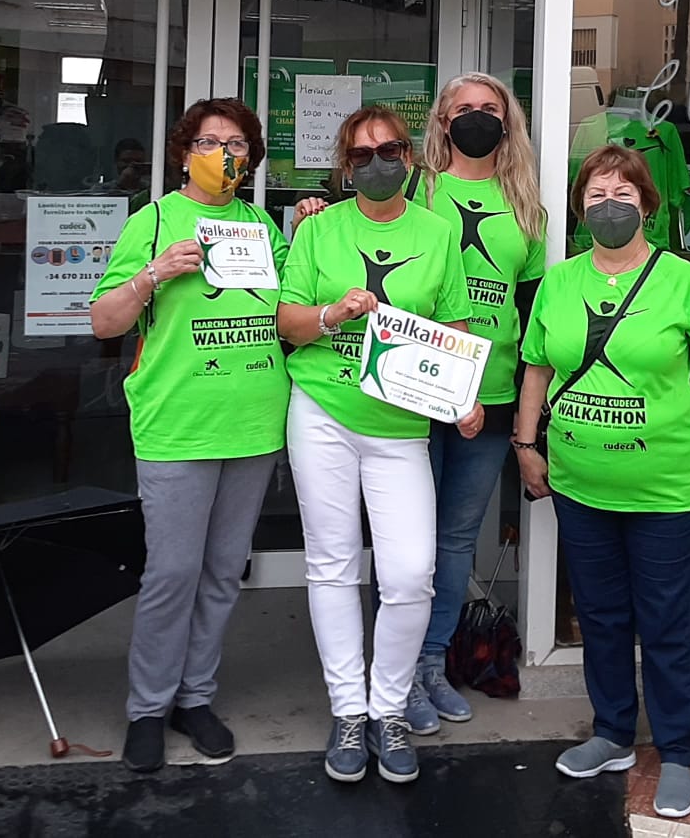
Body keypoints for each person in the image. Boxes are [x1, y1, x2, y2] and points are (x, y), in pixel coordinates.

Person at [514, 144, 690, 822]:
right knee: (601, 617)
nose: (608, 206)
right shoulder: (559, 281)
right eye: (596, 195)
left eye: (622, 194)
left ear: (648, 204)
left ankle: (675, 751)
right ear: (579, 208)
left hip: (664, 488)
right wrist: (525, 443)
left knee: (666, 623)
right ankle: (612, 733)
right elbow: (536, 367)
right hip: (580, 484)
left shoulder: (681, 279)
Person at [277, 106, 477, 787]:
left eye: (389, 150)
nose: (376, 164)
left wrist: (463, 396)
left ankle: (389, 706)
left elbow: (453, 326)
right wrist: (331, 314)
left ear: (409, 157)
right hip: (323, 411)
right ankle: (349, 711)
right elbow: (288, 321)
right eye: (361, 156)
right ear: (344, 166)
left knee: (410, 573)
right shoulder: (317, 229)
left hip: (399, 425)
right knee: (333, 565)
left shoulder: (437, 232)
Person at [90, 99, 290, 775]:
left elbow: (288, 309)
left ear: (251, 158)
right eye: (209, 142)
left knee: (222, 572)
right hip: (178, 425)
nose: (223, 155)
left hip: (253, 422)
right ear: (184, 152)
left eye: (237, 144)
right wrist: (153, 274)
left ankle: (194, 697)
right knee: (172, 574)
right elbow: (104, 322)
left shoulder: (261, 226)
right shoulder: (152, 222)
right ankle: (147, 708)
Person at [403, 73, 547, 729]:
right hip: (415, 389)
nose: (477, 118)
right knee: (407, 543)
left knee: (456, 539)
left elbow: (532, 312)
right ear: (442, 121)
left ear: (507, 121)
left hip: (489, 395)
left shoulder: (527, 207)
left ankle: (433, 663)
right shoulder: (416, 189)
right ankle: (397, 671)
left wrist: (528, 416)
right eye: (464, 109)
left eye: (490, 109)